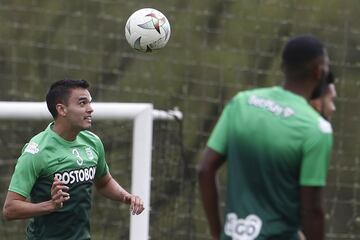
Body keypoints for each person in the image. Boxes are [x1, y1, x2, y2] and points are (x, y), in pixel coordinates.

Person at [197, 35, 333, 240]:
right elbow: (311, 211)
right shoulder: (315, 129)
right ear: (319, 71)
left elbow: (204, 170)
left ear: (282, 67)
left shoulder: (241, 103)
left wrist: (217, 234)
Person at [2, 79, 144, 239]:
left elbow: (104, 182)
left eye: (90, 103)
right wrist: (50, 205)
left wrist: (126, 197)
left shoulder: (93, 142)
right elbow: (10, 209)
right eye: (82, 103)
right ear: (62, 109)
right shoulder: (36, 152)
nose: (90, 109)